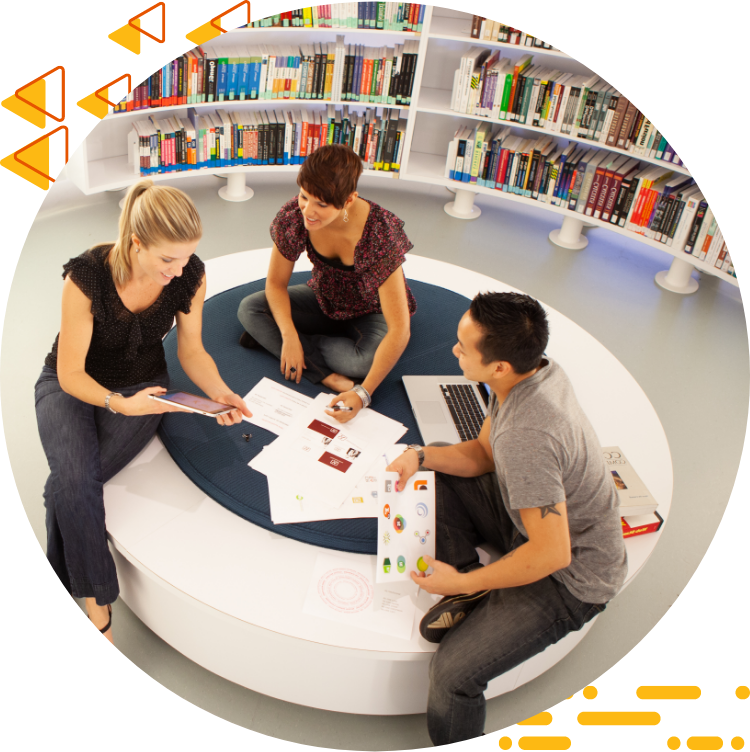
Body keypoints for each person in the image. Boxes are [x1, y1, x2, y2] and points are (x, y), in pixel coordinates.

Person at [385, 292, 627, 745]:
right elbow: (480, 455)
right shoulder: (534, 372)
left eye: (463, 346)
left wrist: (457, 583)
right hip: (533, 526)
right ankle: (475, 587)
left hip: (572, 577)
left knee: (452, 675)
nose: (453, 349)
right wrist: (420, 456)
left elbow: (552, 553)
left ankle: (471, 587)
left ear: (498, 365)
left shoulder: (528, 436)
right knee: (436, 470)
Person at [35, 179, 252, 647]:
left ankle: (65, 572)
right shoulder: (87, 277)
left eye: (186, 258)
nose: (179, 271)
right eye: (167, 260)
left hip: (145, 387)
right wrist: (117, 404)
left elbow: (192, 352)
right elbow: (71, 372)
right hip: (71, 386)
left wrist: (220, 391)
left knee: (69, 483)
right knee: (74, 482)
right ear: (136, 244)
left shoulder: (189, 274)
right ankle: (99, 611)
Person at [236, 144, 416, 425]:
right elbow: (275, 283)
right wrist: (289, 336)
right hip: (324, 298)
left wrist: (364, 393)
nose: (308, 211)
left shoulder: (380, 234)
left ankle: (273, 340)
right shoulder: (294, 215)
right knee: (250, 308)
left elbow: (400, 330)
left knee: (362, 364)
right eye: (304, 196)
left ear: (348, 200)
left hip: (371, 311)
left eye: (321, 204)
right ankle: (324, 372)